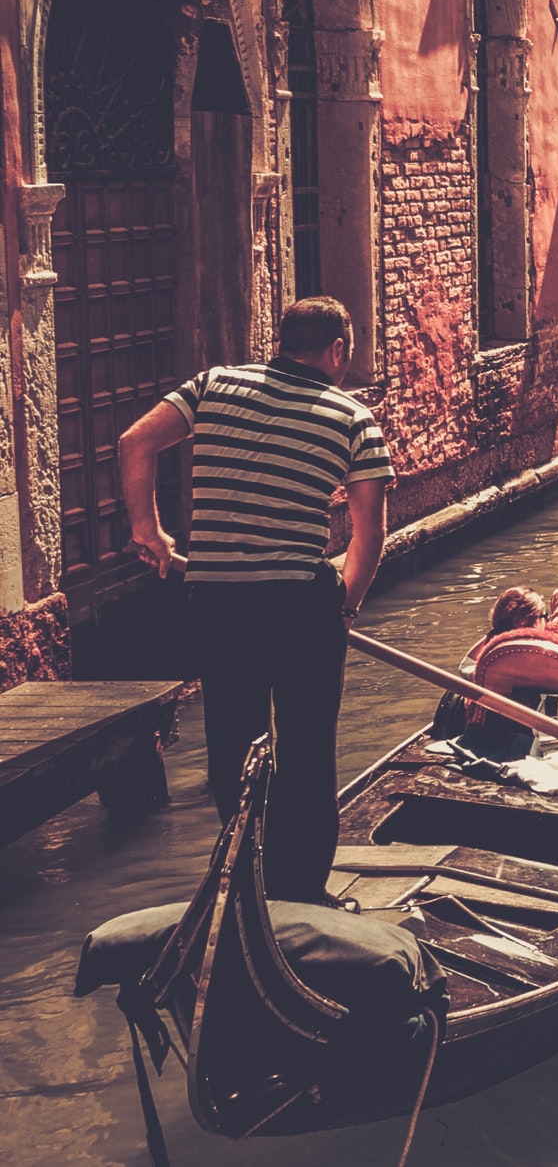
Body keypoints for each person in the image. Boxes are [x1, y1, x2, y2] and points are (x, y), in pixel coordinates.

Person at [118, 296, 394, 904]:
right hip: (299, 604)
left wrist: (149, 530)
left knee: (234, 745)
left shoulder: (213, 384)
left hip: (216, 602)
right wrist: (343, 608)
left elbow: (134, 443)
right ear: (337, 352)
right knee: (307, 749)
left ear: (282, 340)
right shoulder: (354, 419)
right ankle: (301, 891)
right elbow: (368, 535)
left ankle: (247, 876)